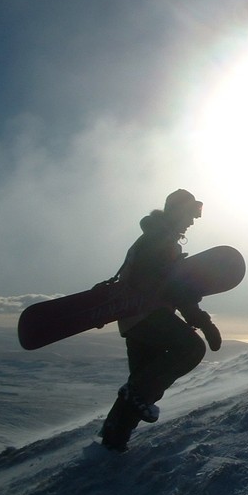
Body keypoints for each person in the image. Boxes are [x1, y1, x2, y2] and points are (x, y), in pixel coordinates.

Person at [100, 189, 222, 452]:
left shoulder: (153, 239)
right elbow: (171, 287)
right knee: (191, 349)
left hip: (134, 320)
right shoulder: (159, 241)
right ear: (177, 212)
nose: (192, 221)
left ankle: (112, 442)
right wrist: (202, 321)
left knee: (142, 383)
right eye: (191, 214)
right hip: (146, 316)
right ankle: (116, 435)